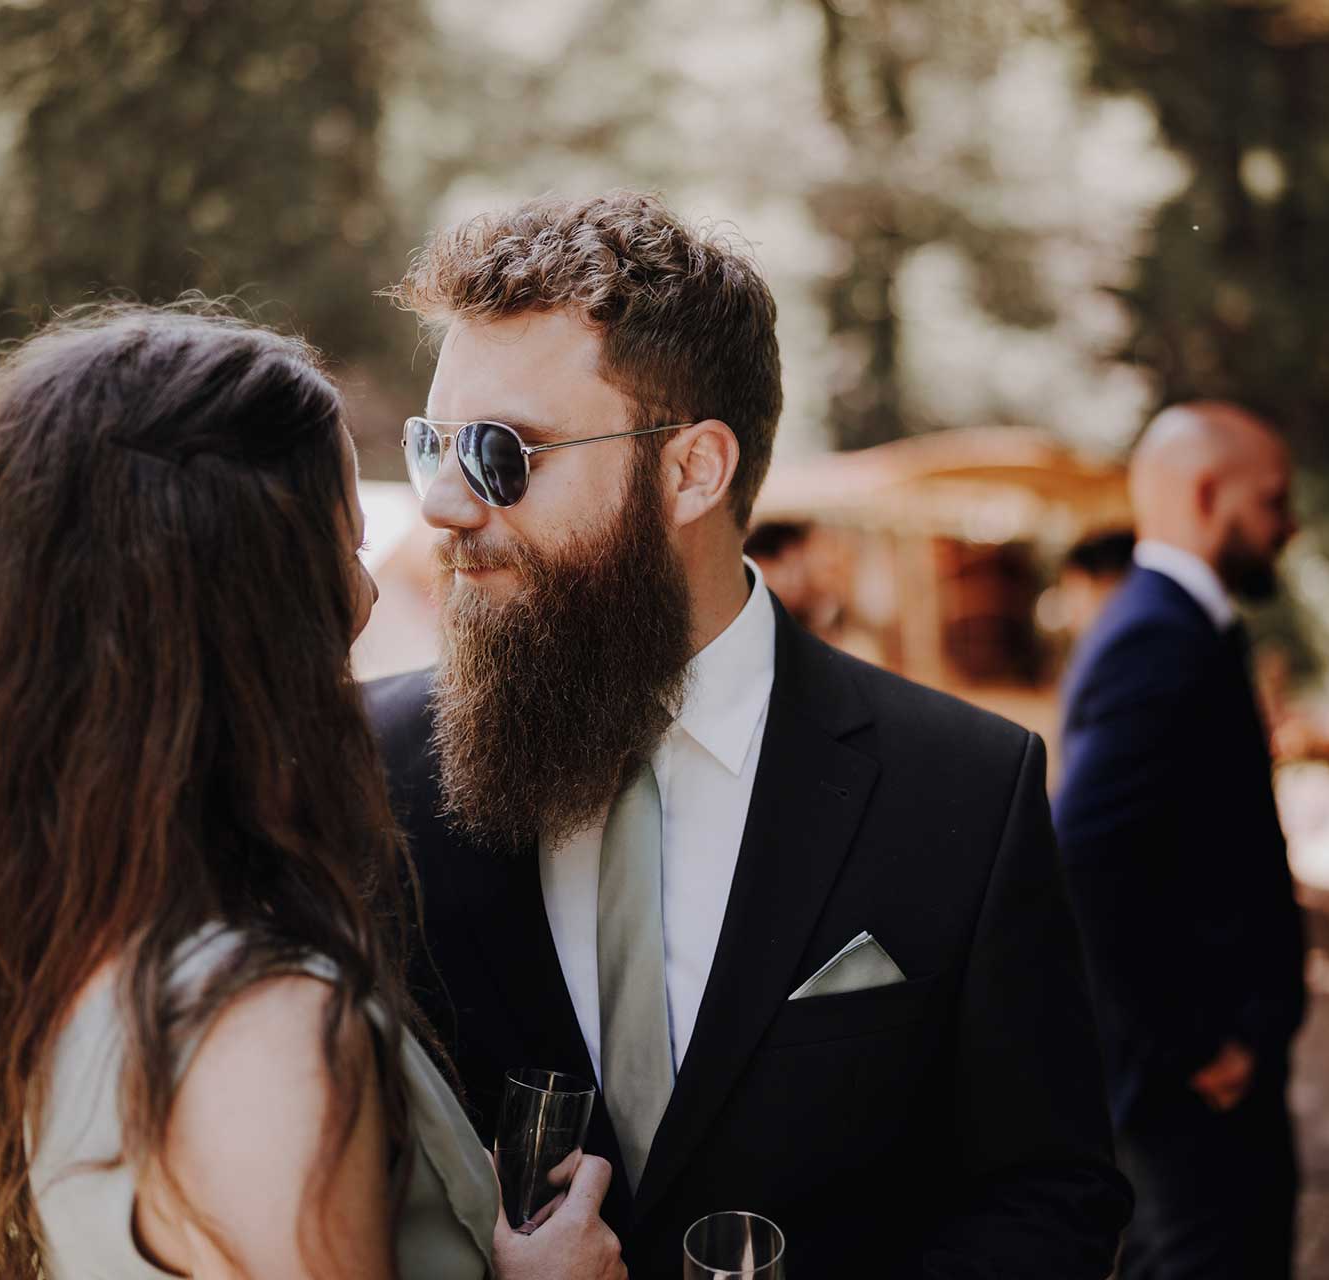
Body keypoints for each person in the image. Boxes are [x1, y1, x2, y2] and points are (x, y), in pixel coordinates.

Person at [366, 192, 1130, 1279]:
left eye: (499, 451)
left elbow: (1049, 1193)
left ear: (692, 470)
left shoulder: (965, 786)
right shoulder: (367, 766)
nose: (442, 502)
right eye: (432, 443)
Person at [0, 306, 626, 1280]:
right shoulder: (261, 1032)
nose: (363, 601)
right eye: (342, 551)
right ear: (248, 616)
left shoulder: (76, 929)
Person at [1055, 401, 1309, 1278]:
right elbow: (1085, 856)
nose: (1290, 523)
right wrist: (1193, 1046)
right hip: (1193, 1097)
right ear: (1208, 493)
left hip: (1211, 1079)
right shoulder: (1156, 637)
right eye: (1274, 500)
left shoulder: (1168, 625)